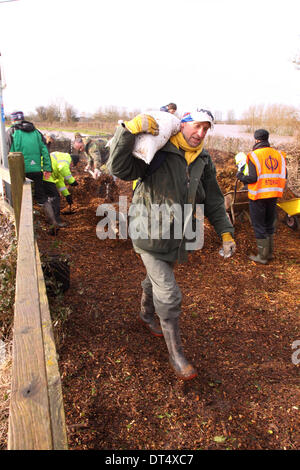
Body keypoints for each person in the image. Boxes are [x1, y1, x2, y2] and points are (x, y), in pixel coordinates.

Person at [107, 108, 236, 381]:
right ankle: (176, 355)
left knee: (155, 278)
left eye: (206, 129)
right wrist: (127, 131)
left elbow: (213, 198)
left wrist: (226, 231)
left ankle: (144, 314)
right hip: (148, 231)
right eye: (196, 126)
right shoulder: (160, 149)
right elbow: (119, 169)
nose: (200, 133)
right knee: (168, 291)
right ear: (183, 124)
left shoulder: (203, 159)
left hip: (177, 237)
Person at [236, 129, 287, 264]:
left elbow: (252, 178)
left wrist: (241, 176)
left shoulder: (254, 155)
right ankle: (269, 254)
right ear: (267, 139)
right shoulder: (279, 155)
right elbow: (284, 175)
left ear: (256, 140)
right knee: (269, 223)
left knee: (259, 225)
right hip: (274, 194)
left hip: (258, 195)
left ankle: (262, 257)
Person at [6, 111, 57, 227]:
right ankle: (53, 224)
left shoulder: (11, 132)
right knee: (41, 198)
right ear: (23, 119)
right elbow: (45, 150)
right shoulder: (36, 132)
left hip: (19, 171)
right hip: (36, 170)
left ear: (13, 120)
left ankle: (22, 225)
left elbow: (6, 152)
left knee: (19, 196)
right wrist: (47, 168)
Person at [43, 151, 79, 226]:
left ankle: (51, 219)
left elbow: (60, 182)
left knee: (53, 196)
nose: (71, 167)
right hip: (45, 174)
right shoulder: (66, 158)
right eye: (72, 165)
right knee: (54, 197)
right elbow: (63, 168)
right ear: (72, 161)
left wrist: (67, 195)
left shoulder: (59, 163)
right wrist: (72, 181)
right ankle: (55, 221)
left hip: (47, 174)